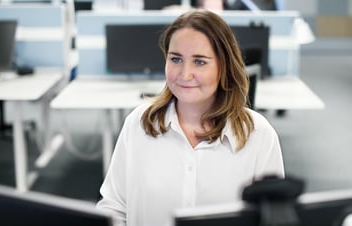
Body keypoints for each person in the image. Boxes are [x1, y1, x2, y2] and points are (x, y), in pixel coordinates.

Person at [97, 9, 284, 226]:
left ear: (224, 67)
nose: (185, 74)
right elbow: (113, 207)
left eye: (200, 62)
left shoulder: (258, 135)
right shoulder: (139, 124)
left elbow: (274, 217)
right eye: (176, 59)